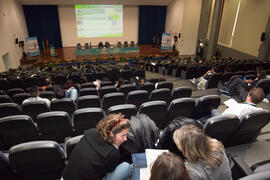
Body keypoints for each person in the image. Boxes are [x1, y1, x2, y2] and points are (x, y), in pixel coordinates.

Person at [62, 113, 132, 180]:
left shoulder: (90, 133)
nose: (125, 139)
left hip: (66, 176)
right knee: (126, 166)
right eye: (123, 135)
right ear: (111, 134)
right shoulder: (112, 153)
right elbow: (110, 170)